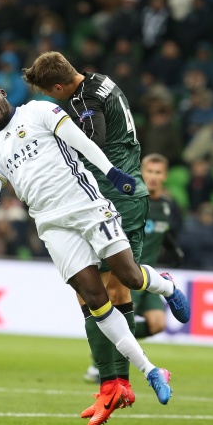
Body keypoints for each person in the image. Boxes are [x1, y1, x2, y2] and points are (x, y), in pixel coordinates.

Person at [0, 79, 190, 425]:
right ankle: (150, 371)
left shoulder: (39, 111)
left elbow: (81, 141)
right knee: (95, 300)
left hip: (85, 204)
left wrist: (112, 173)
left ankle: (166, 286)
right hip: (51, 226)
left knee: (129, 277)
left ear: (2, 94)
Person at [22, 51, 161, 413]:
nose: (53, 101)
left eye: (50, 94)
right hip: (108, 193)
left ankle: (119, 379)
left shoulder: (84, 101)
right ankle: (115, 383)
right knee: (96, 291)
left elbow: (93, 137)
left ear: (58, 86)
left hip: (117, 193)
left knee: (112, 286)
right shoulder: (99, 81)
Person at [84, 153, 184, 383]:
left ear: (165, 176)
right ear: (141, 172)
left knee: (157, 324)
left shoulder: (168, 206)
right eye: (150, 171)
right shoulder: (132, 200)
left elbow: (166, 232)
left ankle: (110, 345)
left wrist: (174, 249)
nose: (154, 176)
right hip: (129, 274)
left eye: (158, 172)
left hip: (149, 275)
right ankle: (98, 365)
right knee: (122, 320)